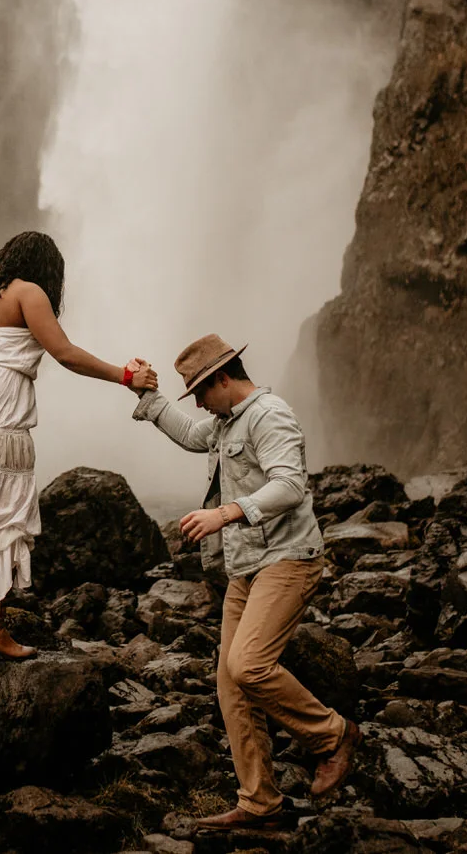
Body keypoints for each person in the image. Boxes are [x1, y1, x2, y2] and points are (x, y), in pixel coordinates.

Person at [128, 334, 361, 828]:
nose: (197, 403)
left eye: (198, 392)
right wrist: (148, 399)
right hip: (248, 568)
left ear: (223, 378)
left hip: (289, 559)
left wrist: (228, 513)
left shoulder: (269, 414)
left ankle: (333, 735)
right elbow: (193, 435)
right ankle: (260, 803)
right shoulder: (226, 421)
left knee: (250, 665)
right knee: (231, 685)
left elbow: (290, 485)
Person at [0, 230, 157, 661]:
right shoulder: (28, 292)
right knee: (0, 510)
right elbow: (65, 353)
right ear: (46, 268)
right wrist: (125, 376)